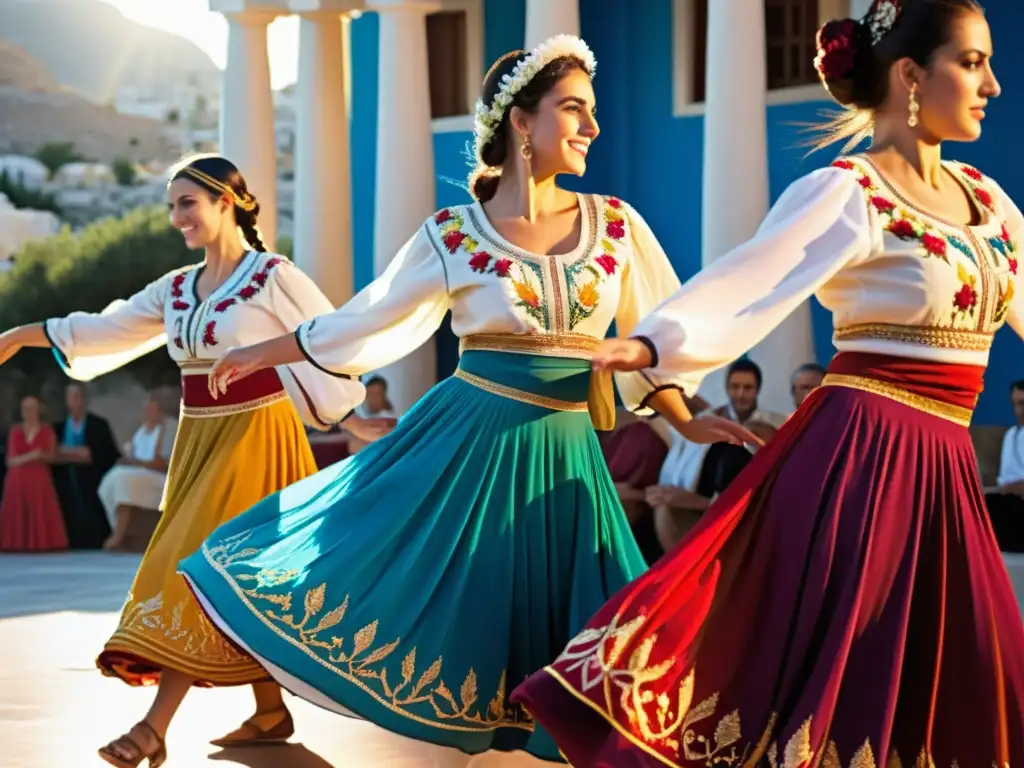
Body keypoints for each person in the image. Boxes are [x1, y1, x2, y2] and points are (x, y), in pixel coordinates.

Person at [179, 35, 756, 767]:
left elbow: (660, 329)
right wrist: (265, 349)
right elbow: (367, 319)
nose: (591, 127)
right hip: (468, 448)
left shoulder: (617, 227)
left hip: (570, 458)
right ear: (522, 121)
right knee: (460, 622)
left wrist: (683, 417)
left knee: (608, 652)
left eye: (592, 111)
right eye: (572, 109)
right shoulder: (453, 235)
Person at [512, 2, 1024, 765]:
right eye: (973, 63)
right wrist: (651, 343)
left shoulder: (991, 207)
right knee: (838, 679)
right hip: (862, 463)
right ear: (912, 77)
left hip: (944, 468)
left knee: (972, 668)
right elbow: (750, 281)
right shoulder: (851, 192)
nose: (993, 86)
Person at [0, 154, 386, 767]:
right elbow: (110, 327)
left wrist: (350, 415)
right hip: (197, 442)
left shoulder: (273, 276)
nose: (177, 217)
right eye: (171, 206)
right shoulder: (177, 288)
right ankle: (268, 709)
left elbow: (328, 340)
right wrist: (22, 334)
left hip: (258, 439)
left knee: (197, 570)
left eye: (188, 203)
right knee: (242, 581)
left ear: (226, 203)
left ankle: (153, 728)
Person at [99, 394, 176, 551]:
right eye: (146, 410)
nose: (148, 413)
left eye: (152, 409)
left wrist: (136, 463)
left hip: (158, 476)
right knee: (110, 479)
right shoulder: (141, 431)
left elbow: (161, 463)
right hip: (138, 474)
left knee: (123, 480)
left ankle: (119, 534)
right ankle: (123, 531)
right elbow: (132, 455)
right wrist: (128, 461)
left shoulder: (167, 428)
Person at [52, 382, 121, 548]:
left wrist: (67, 453)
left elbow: (99, 454)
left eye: (78, 396)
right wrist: (77, 454)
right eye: (71, 397)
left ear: (84, 399)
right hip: (65, 479)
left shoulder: (98, 425)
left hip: (93, 479)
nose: (75, 401)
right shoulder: (58, 428)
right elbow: (53, 454)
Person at [0, 394, 67, 551]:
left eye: (31, 408)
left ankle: (42, 542)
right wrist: (33, 455)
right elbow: (11, 460)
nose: (27, 412)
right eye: (25, 409)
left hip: (39, 478)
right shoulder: (16, 431)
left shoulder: (46, 431)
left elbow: (51, 456)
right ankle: (15, 542)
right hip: (18, 479)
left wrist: (39, 456)